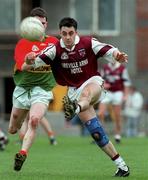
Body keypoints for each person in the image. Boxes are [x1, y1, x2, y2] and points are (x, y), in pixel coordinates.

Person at [23, 17, 130, 177]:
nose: (67, 37)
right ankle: (122, 166)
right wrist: (28, 59)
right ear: (60, 33)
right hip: (74, 92)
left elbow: (110, 50)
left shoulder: (88, 43)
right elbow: (26, 66)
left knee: (86, 94)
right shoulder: (54, 50)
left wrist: (117, 56)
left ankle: (75, 108)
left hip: (93, 83)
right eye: (64, 33)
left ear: (76, 33)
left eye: (70, 33)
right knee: (96, 133)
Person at [7, 7, 58, 171]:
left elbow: (63, 63)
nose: (40, 26)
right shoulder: (23, 44)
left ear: (46, 24)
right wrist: (29, 61)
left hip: (42, 89)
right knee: (13, 129)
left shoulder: (54, 43)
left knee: (35, 120)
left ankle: (22, 153)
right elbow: (22, 66)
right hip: (23, 88)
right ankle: (18, 125)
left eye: (43, 23)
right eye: (37, 23)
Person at [98, 61, 131, 143]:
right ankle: (101, 135)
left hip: (118, 92)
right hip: (107, 92)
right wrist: (103, 85)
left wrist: (126, 95)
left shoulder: (122, 68)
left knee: (117, 115)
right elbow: (100, 80)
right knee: (101, 113)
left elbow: (126, 83)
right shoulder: (105, 67)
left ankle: (117, 135)